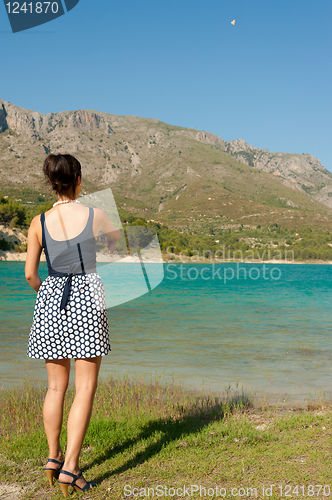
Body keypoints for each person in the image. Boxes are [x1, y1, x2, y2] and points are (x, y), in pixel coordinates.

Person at [25, 153, 121, 497]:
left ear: (52, 182)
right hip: (86, 295)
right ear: (78, 179)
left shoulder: (38, 221)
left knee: (55, 388)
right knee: (84, 388)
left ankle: (53, 458)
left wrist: (48, 293)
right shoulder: (96, 214)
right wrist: (105, 249)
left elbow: (30, 274)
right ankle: (71, 469)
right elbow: (115, 241)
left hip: (50, 296)